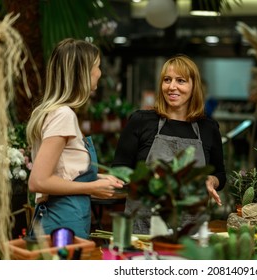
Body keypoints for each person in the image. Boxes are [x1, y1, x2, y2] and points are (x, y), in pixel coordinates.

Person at [112, 54, 226, 234]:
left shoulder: (208, 128)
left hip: (190, 230)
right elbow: (119, 169)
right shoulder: (141, 121)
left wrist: (211, 180)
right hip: (142, 230)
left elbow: (220, 173)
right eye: (167, 80)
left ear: (193, 86)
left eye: (180, 81)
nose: (172, 87)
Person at [26, 38, 124, 239]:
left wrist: (97, 178)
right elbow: (38, 180)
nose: (100, 73)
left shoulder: (55, 112)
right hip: (62, 224)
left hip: (65, 219)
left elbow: (62, 172)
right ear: (83, 73)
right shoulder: (63, 115)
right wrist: (91, 187)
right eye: (97, 67)